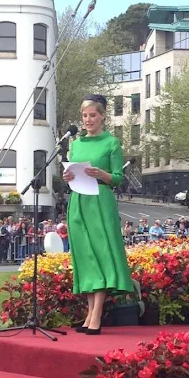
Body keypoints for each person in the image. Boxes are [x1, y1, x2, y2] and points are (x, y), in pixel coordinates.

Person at [62, 94, 133, 334]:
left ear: (102, 116)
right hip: (78, 200)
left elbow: (118, 178)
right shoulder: (76, 144)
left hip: (100, 200)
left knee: (101, 253)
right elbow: (72, 170)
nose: (88, 119)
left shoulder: (112, 143)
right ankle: (89, 312)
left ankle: (97, 314)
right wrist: (68, 176)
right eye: (85, 115)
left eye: (93, 115)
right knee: (85, 255)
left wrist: (101, 174)